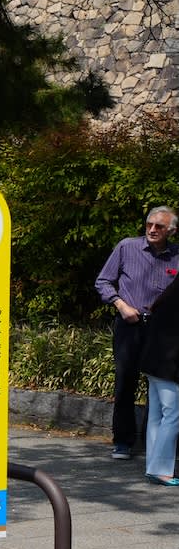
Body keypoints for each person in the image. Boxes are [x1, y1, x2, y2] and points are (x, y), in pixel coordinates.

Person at [96, 206, 179, 459]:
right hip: (129, 324)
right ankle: (123, 441)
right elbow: (103, 281)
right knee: (125, 382)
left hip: (163, 332)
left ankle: (154, 445)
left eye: (159, 226)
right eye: (149, 224)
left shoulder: (177, 255)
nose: (152, 229)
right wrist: (121, 306)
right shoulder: (127, 247)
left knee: (159, 386)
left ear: (172, 231)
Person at [141, 285, 179, 486]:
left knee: (157, 416)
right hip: (168, 365)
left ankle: (153, 466)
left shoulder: (168, 295)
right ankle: (161, 470)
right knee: (173, 415)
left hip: (154, 362)